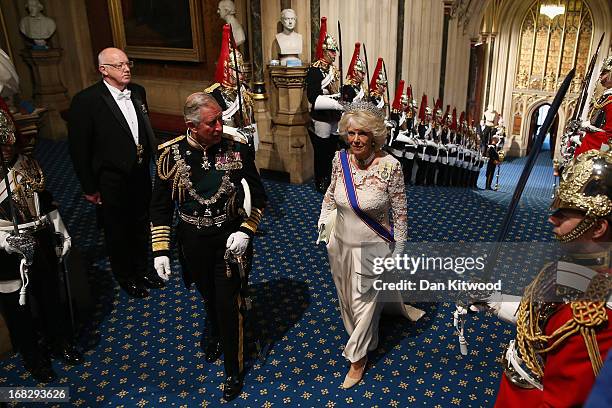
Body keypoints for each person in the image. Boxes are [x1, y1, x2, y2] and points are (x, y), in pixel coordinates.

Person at [150, 92, 266, 401]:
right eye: (212, 123)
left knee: (228, 303)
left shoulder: (234, 149)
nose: (220, 127)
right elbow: (160, 207)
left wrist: (246, 229)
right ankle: (215, 328)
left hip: (230, 242)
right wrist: (160, 250)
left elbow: (258, 196)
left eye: (220, 120)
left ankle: (233, 369)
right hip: (193, 242)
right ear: (191, 125)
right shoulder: (170, 156)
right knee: (209, 297)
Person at [481, 147, 612, 407]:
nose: (551, 218)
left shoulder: (592, 316)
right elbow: (543, 320)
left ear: (597, 227)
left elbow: (561, 401)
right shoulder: (583, 266)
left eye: (563, 214)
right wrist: (492, 301)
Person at [318, 101, 424, 389]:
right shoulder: (339, 159)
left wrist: (399, 250)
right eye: (351, 133)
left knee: (364, 303)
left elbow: (400, 212)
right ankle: (367, 338)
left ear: (375, 135)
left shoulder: (391, 167)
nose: (356, 140)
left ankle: (358, 358)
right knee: (348, 302)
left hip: (374, 247)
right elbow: (330, 195)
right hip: (339, 243)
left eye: (362, 134)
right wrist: (323, 224)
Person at [68, 47, 163, 299]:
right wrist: (89, 187)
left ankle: (144, 269)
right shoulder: (86, 101)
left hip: (141, 171)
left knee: (143, 223)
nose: (126, 68)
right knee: (117, 230)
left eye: (127, 63)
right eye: (119, 65)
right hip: (110, 178)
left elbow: (143, 131)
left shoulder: (139, 92)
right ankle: (126, 276)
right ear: (103, 70)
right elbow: (79, 149)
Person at [0, 107, 82, 383]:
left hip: (41, 237)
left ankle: (60, 343)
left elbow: (44, 200)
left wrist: (61, 230)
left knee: (50, 295)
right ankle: (34, 359)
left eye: (10, 144)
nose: (8, 151)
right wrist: (5, 242)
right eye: (2, 146)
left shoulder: (28, 163)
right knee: (17, 310)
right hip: (6, 251)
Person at [205, 24, 258, 154]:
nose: (241, 73)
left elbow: (250, 117)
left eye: (241, 69)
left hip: (246, 140)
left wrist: (255, 138)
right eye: (236, 69)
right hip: (226, 144)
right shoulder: (214, 93)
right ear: (227, 70)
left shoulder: (244, 88)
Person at [306, 17, 342, 193]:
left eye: (335, 51)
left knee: (332, 150)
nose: (335, 54)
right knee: (321, 151)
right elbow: (313, 96)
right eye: (332, 51)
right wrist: (335, 102)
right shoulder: (314, 70)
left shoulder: (333, 71)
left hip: (335, 116)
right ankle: (320, 179)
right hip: (322, 116)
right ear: (325, 51)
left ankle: (330, 177)